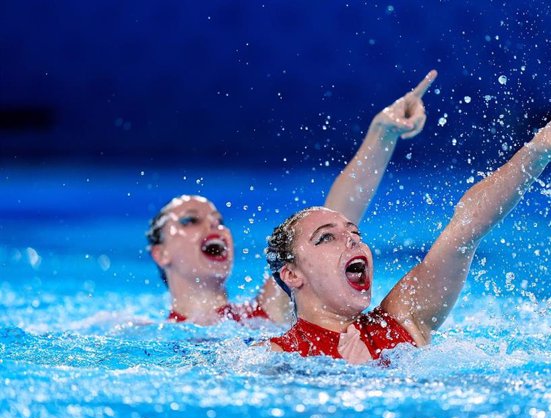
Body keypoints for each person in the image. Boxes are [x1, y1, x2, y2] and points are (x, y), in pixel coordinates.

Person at [265, 86, 551, 363]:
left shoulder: (400, 321)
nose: (352, 241)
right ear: (292, 274)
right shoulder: (273, 357)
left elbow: (465, 228)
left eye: (355, 232)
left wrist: (536, 153)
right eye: (327, 238)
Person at [145, 70, 438, 326]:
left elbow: (335, 214)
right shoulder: (142, 335)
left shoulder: (265, 315)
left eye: (219, 221)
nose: (214, 228)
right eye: (190, 221)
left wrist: (382, 134)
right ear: (160, 253)